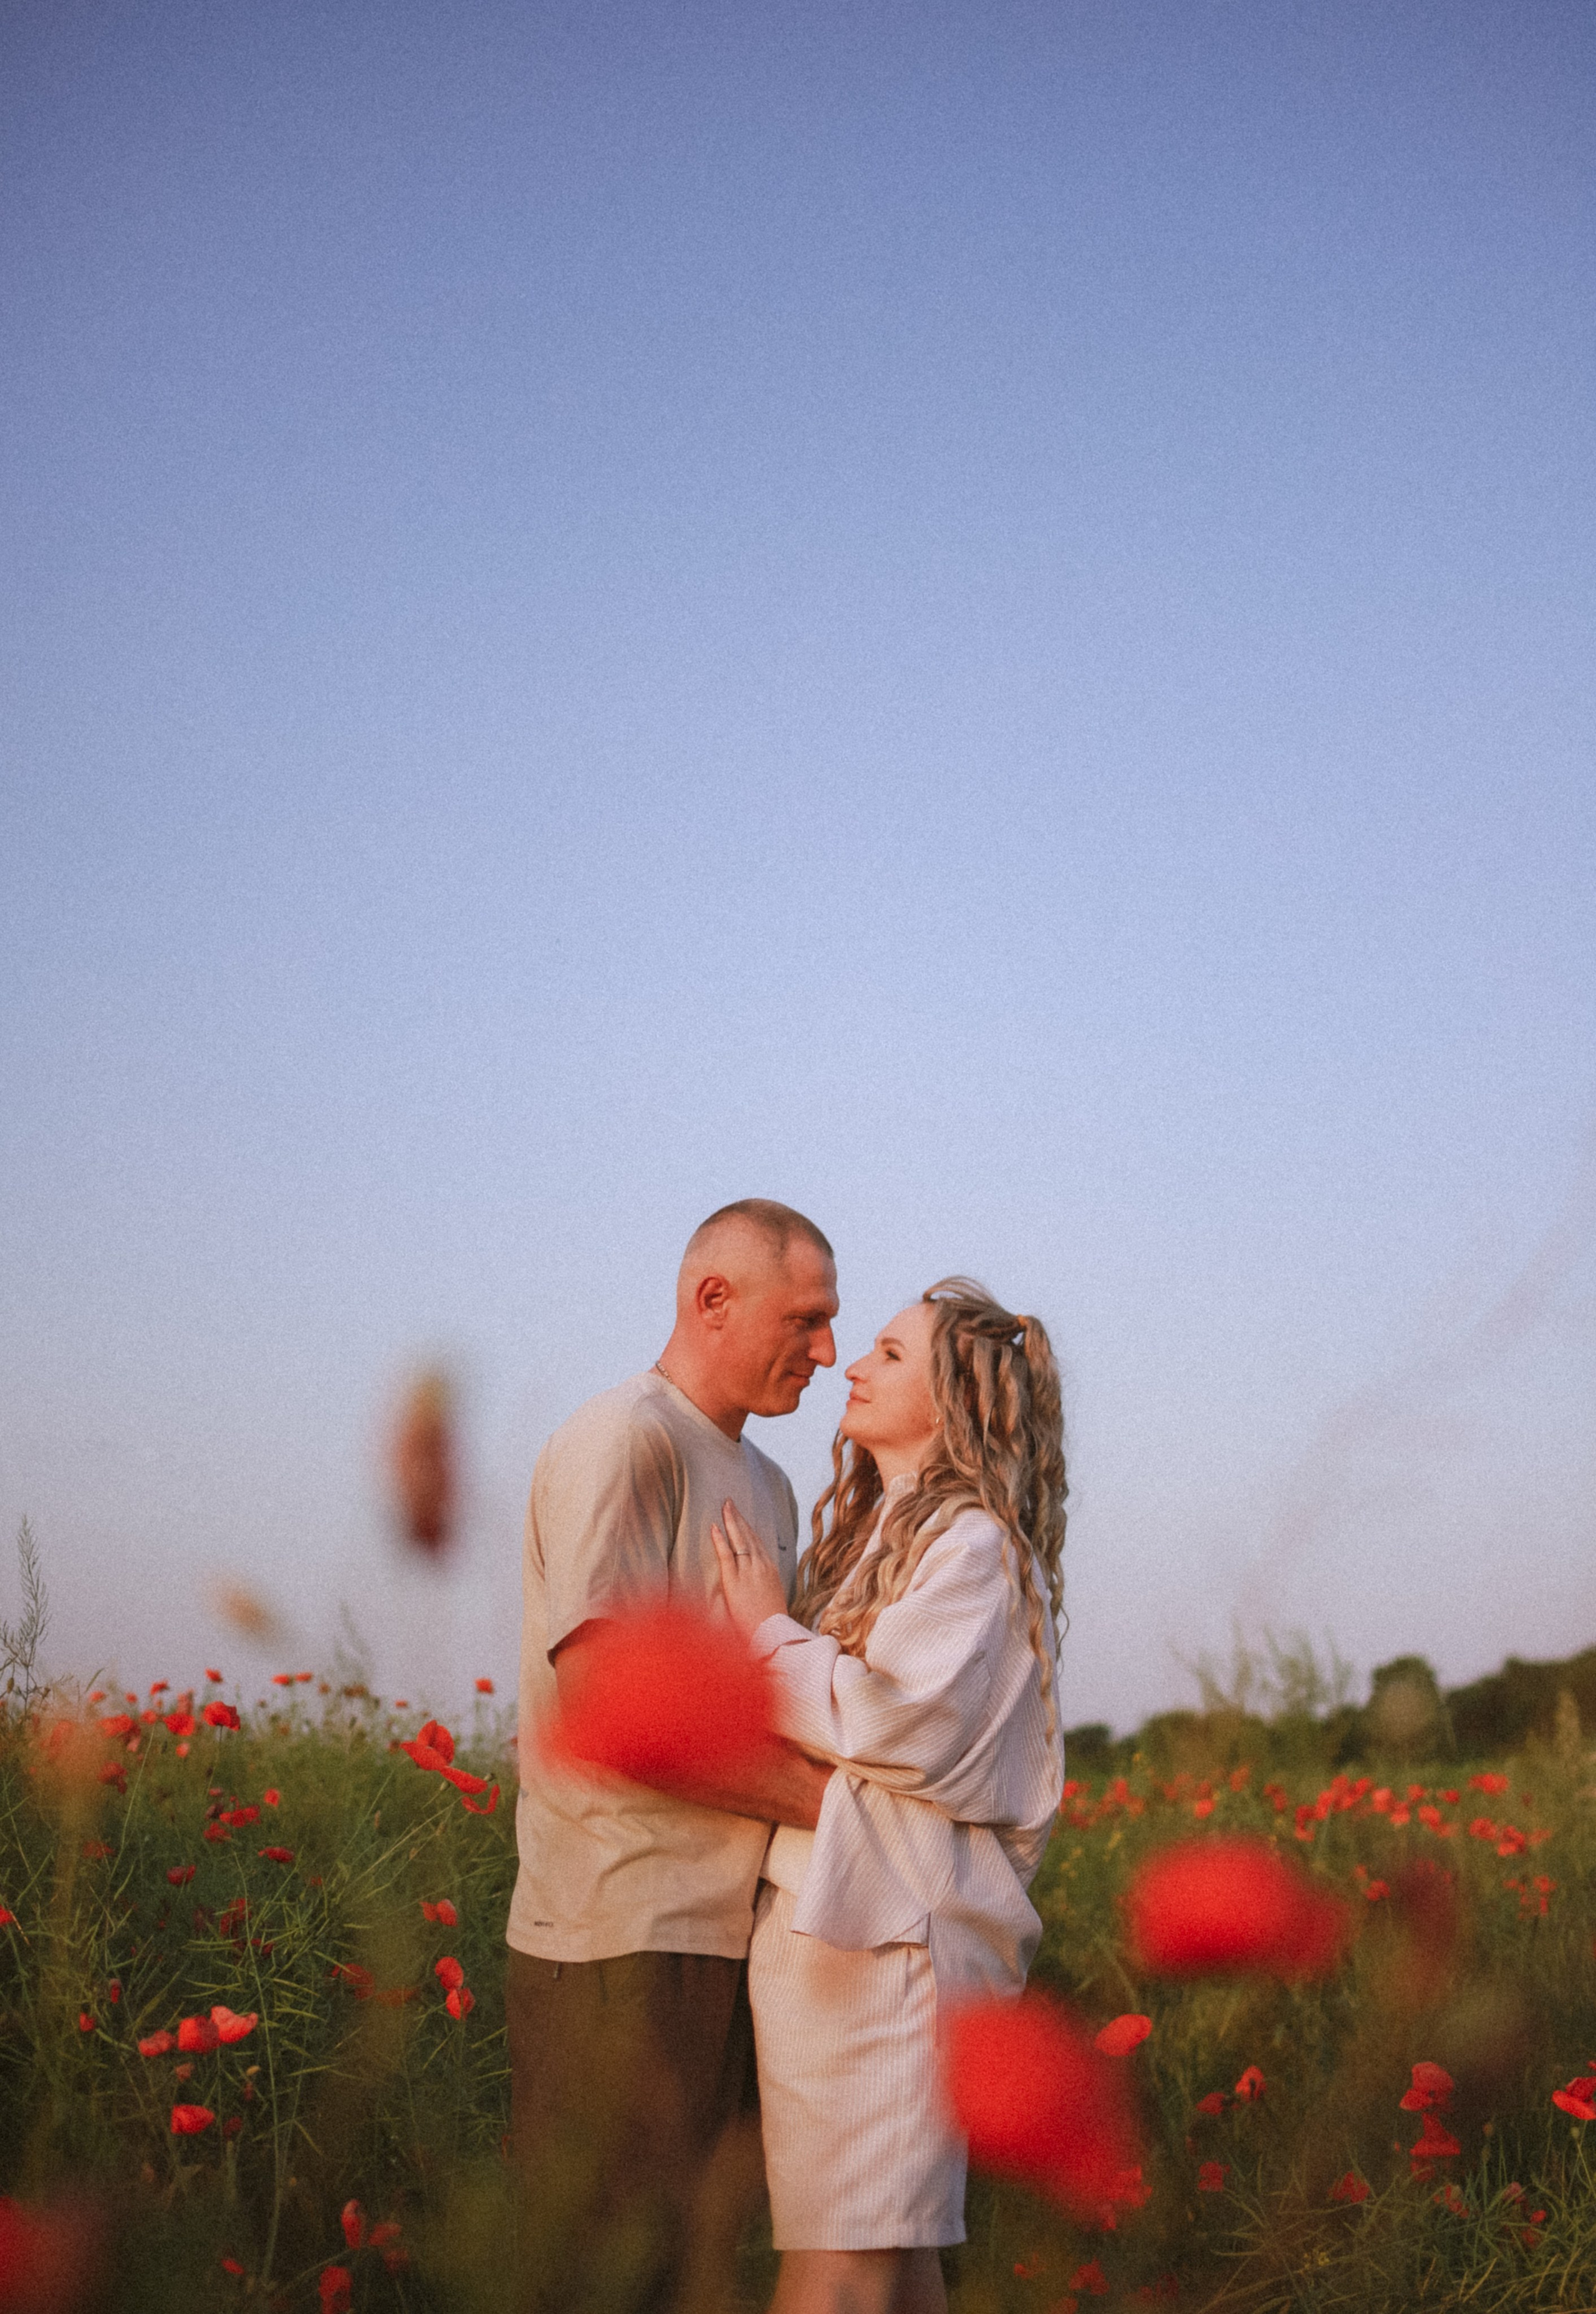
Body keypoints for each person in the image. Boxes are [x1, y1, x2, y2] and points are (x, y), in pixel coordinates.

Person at [507, 1198, 840, 2312]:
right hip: (619, 1937)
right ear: (713, 1300)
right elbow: (609, 1711)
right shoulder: (623, 1439)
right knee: (607, 2277)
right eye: (804, 1320)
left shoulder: (773, 1487)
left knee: (696, 2276)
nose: (826, 1351)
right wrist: (835, 1808)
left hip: (734, 1940)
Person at [713, 1279, 1068, 2314]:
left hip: (887, 1948)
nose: (852, 1366)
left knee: (843, 2261)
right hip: (847, 1933)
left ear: (961, 1402)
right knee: (893, 2260)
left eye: (891, 1353)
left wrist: (767, 1631)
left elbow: (893, 1725)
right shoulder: (886, 1537)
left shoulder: (973, 1548)